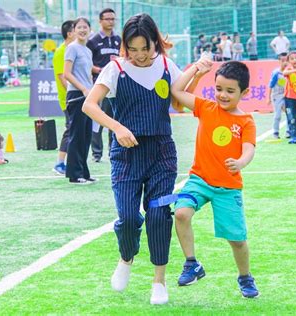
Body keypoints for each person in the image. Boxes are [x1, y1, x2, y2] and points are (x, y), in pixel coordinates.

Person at [83, 13, 182, 305]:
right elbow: (90, 105)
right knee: (128, 218)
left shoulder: (167, 65)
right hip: (126, 155)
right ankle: (126, 258)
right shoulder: (115, 69)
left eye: (145, 48)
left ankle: (159, 281)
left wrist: (196, 75)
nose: (139, 55)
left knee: (158, 216)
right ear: (125, 45)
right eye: (133, 48)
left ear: (155, 43)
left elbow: (178, 102)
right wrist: (117, 127)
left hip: (162, 153)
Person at [170, 60, 260, 298]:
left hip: (228, 187)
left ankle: (245, 277)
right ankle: (192, 264)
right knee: (181, 213)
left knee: (237, 240)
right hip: (199, 179)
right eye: (218, 88)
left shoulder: (246, 121)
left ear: (244, 92)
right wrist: (196, 71)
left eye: (230, 91)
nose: (222, 95)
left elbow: (249, 149)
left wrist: (241, 162)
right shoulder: (206, 107)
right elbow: (176, 91)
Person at [86, 8, 121, 163]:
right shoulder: (92, 41)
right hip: (99, 86)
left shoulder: (119, 40)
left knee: (113, 119)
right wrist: (101, 70)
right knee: (98, 121)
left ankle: (112, 150)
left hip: (116, 87)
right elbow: (87, 63)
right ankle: (96, 153)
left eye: (113, 19)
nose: (110, 22)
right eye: (107, 19)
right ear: (100, 21)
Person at [63, 17, 94, 184]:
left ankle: (84, 172)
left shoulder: (87, 51)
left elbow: (88, 74)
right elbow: (67, 73)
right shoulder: (72, 48)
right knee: (76, 135)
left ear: (90, 30)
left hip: (88, 97)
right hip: (76, 96)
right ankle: (74, 175)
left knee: (86, 135)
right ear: (73, 31)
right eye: (79, 27)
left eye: (85, 27)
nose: (82, 30)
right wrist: (83, 88)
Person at [52, 20, 75, 175]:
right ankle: (60, 163)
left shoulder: (73, 50)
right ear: (69, 33)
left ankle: (71, 162)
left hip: (74, 98)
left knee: (75, 131)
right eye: (77, 29)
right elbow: (62, 77)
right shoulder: (62, 52)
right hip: (68, 100)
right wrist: (75, 93)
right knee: (70, 130)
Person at [267, 52, 288, 139]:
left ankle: (289, 131)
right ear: (279, 61)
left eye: (286, 60)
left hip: (287, 95)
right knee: (278, 114)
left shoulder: (289, 72)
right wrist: (268, 98)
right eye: (282, 60)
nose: (285, 62)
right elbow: (270, 85)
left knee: (289, 113)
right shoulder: (276, 73)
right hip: (277, 96)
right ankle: (275, 132)